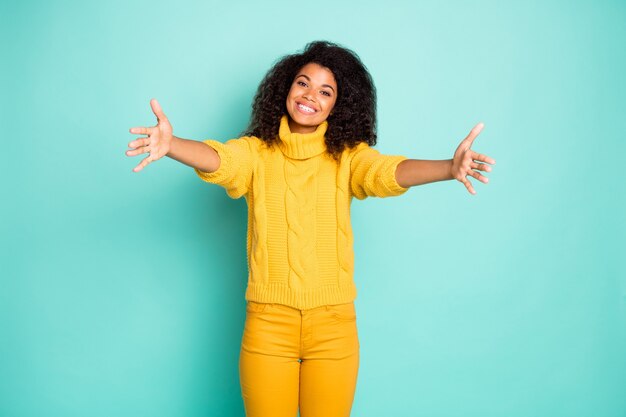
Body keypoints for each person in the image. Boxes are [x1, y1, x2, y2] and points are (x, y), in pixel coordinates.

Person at [125, 41, 495, 417]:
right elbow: (221, 159)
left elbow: (387, 173)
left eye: (325, 91)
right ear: (285, 88)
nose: (310, 96)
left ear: (339, 105)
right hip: (268, 325)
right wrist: (172, 145)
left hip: (334, 328)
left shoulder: (348, 157)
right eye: (303, 83)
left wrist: (449, 168)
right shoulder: (256, 153)